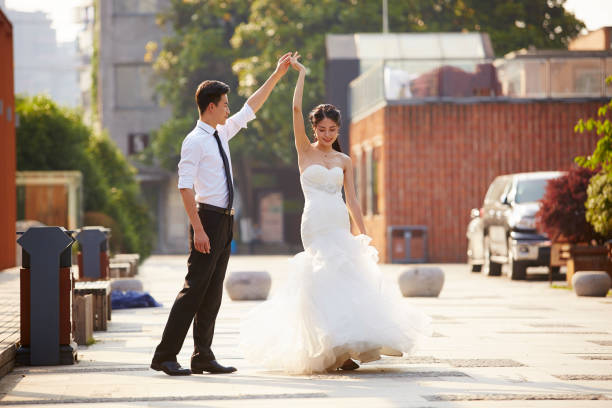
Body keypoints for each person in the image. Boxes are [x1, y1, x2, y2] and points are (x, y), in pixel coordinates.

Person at [239, 52, 432, 374]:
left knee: (346, 278)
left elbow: (353, 199)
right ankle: (330, 347)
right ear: (314, 129)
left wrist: (364, 231)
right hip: (314, 222)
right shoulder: (305, 150)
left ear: (338, 129)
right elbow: (296, 109)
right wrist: (300, 74)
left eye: (333, 129)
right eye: (322, 129)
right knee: (320, 278)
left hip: (339, 221)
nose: (328, 134)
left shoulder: (344, 161)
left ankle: (346, 348)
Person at [151, 52, 293, 376]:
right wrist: (198, 229)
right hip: (208, 219)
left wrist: (276, 74)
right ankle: (165, 355)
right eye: (225, 104)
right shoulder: (194, 141)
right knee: (193, 290)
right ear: (211, 106)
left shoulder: (221, 133)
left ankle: (203, 355)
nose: (229, 109)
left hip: (225, 220)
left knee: (212, 293)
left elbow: (250, 109)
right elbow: (185, 188)